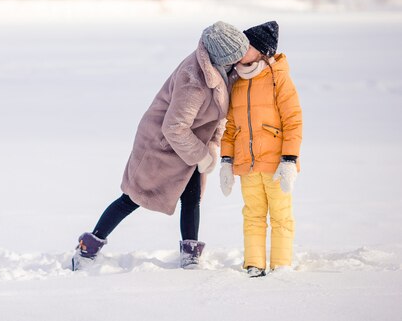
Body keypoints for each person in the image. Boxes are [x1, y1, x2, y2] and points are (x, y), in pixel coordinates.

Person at [72, 21, 249, 271]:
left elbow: (218, 114)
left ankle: (190, 254)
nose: (242, 59)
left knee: (191, 197)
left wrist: (211, 144)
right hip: (161, 147)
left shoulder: (222, 69)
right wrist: (201, 155)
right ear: (222, 55)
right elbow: (174, 127)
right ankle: (88, 247)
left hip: (188, 146)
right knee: (133, 196)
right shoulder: (194, 79)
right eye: (237, 56)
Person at [218, 21, 303, 277]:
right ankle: (254, 264)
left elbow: (293, 120)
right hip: (247, 165)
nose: (241, 50)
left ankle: (281, 265)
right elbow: (230, 126)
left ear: (261, 51)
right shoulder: (237, 80)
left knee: (280, 216)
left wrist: (289, 159)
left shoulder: (279, 78)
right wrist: (226, 161)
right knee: (253, 215)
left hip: (277, 165)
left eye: (247, 45)